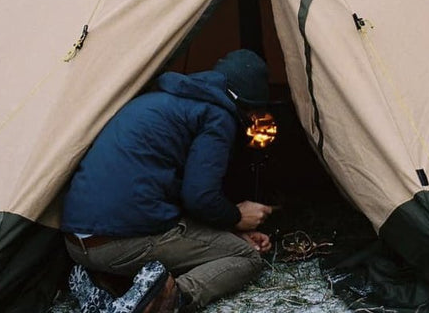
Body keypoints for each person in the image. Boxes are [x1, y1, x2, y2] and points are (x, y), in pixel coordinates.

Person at [61, 49, 274, 312]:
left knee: (202, 235)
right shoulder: (217, 116)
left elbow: (175, 196)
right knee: (245, 257)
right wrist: (235, 216)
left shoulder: (160, 99)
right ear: (248, 104)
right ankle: (167, 300)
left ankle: (105, 281)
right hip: (116, 241)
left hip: (76, 240)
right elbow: (200, 197)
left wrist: (230, 230)